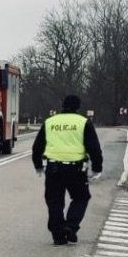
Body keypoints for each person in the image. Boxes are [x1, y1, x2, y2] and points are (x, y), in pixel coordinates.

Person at [31, 95, 103, 245]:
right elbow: (94, 148)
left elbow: (37, 146)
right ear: (78, 106)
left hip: (53, 168)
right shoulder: (83, 122)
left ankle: (58, 235)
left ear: (62, 105)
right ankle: (70, 226)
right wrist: (97, 168)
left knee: (54, 201)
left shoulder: (50, 122)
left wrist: (38, 165)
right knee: (81, 197)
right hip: (76, 169)